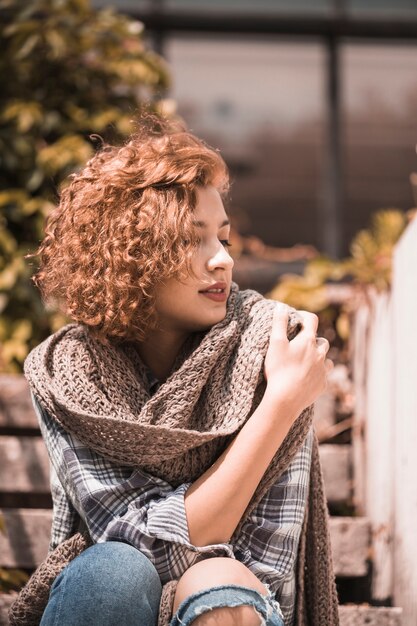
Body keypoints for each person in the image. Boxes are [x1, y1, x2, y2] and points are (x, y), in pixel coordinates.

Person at [10, 117, 339, 626]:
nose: (222, 260)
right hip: (114, 601)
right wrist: (277, 407)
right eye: (192, 239)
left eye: (224, 238)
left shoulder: (273, 349)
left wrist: (282, 400)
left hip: (235, 604)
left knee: (219, 584)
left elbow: (262, 564)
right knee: (113, 570)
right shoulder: (66, 374)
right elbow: (128, 540)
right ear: (128, 256)